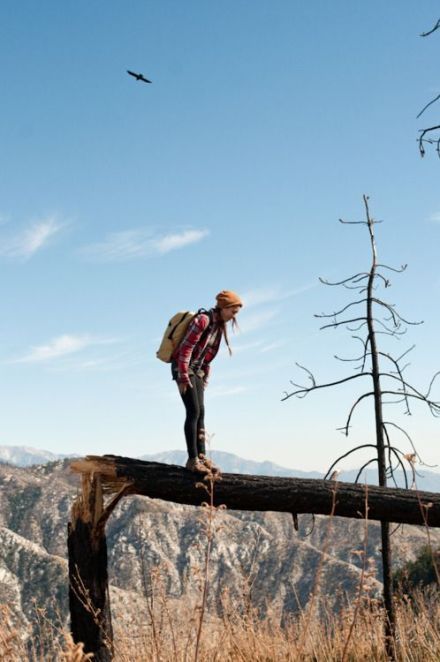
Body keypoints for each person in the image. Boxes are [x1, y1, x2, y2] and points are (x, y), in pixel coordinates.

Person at [171, 290, 243, 473]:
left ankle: (202, 459)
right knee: (193, 411)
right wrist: (182, 376)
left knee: (201, 413)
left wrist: (205, 375)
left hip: (197, 371)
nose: (233, 317)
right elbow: (186, 347)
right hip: (184, 368)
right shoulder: (203, 320)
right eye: (233, 312)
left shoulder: (217, 326)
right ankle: (192, 460)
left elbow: (207, 354)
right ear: (224, 307)